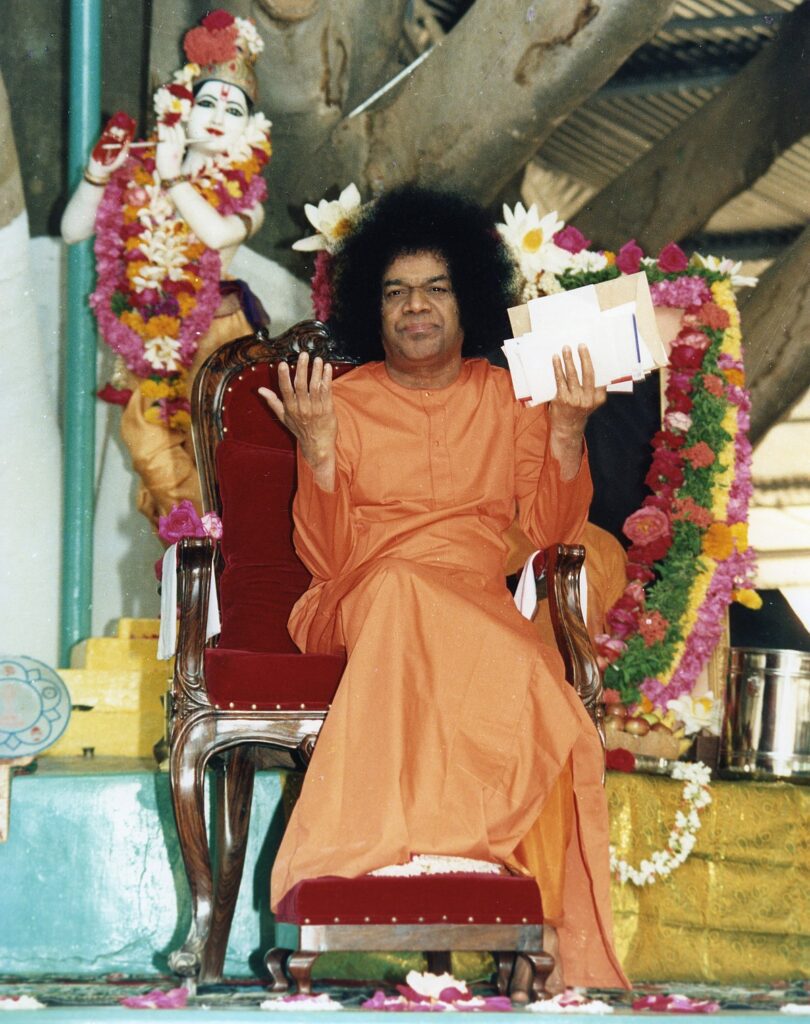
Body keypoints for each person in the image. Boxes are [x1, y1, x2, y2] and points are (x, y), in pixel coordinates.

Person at [260, 186, 628, 992]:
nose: (415, 308)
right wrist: (318, 452)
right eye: (395, 292)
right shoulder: (342, 403)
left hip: (475, 602)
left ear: (468, 301)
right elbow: (324, 557)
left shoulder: (510, 399)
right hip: (357, 597)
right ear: (372, 307)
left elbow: (555, 529)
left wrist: (567, 430)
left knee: (507, 649)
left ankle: (442, 846)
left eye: (435, 288)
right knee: (399, 587)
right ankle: (392, 845)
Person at [60, 9, 271, 527]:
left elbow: (217, 234)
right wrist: (97, 174)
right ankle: (192, 552)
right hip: (150, 348)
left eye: (234, 108)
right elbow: (72, 230)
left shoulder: (247, 194)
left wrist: (175, 181)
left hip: (218, 340)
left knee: (218, 456)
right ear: (181, 106)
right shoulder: (143, 172)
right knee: (149, 449)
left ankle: (225, 554)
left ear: (250, 127)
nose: (219, 115)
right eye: (207, 101)